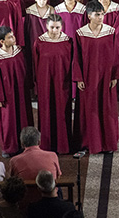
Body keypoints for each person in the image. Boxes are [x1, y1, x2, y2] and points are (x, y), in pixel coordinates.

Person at [74, 1, 119, 153]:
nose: (101, 17)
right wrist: (79, 78)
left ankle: (108, 143)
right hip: (88, 78)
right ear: (89, 16)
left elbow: (115, 54)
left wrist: (115, 75)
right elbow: (77, 58)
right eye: (97, 14)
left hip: (106, 76)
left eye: (102, 14)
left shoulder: (110, 32)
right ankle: (88, 143)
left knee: (107, 109)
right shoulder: (80, 34)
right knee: (88, 110)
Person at [33, 14, 74, 154]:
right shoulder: (39, 42)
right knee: (46, 112)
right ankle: (47, 146)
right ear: (46, 26)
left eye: (57, 27)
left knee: (63, 112)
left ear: (62, 27)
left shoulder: (68, 42)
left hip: (63, 84)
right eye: (52, 27)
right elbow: (35, 64)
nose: (55, 30)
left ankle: (64, 146)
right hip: (45, 84)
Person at [0, 27, 34, 157]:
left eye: (13, 35)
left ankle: (25, 144)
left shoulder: (19, 51)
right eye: (10, 37)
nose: (13, 38)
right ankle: (9, 147)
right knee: (8, 120)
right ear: (2, 41)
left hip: (21, 92)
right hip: (7, 95)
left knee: (23, 116)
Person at [23, 0, 53, 85]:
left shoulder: (52, 11)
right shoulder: (29, 11)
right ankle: (35, 88)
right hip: (33, 41)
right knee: (33, 63)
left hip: (48, 43)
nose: (42, 1)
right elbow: (26, 29)